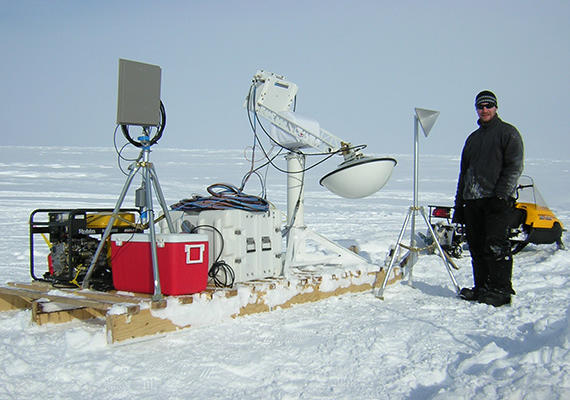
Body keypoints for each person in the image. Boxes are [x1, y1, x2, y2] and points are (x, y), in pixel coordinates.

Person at [452, 90, 524, 307]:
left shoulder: (507, 133)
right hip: (473, 200)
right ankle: (482, 287)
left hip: (496, 200)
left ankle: (501, 290)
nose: (484, 110)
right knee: (476, 246)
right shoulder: (473, 139)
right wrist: (460, 204)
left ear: (495, 108)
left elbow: (515, 166)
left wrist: (502, 195)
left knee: (496, 245)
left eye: (488, 106)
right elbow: (464, 173)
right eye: (480, 107)